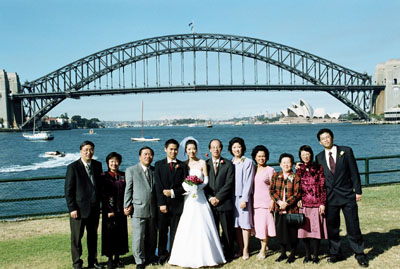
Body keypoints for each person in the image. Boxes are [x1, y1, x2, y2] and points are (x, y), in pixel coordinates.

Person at [168, 139, 226, 268]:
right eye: (189, 149)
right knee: (187, 224)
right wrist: (189, 187)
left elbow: (206, 179)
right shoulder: (183, 165)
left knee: (203, 224)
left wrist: (197, 187)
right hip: (189, 198)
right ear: (185, 151)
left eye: (193, 148)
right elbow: (181, 181)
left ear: (196, 149)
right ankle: (185, 255)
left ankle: (208, 256)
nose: (191, 151)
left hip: (200, 197)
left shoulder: (202, 163)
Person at [315, 128, 368, 267]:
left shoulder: (346, 151)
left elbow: (354, 172)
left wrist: (358, 190)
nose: (326, 140)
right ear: (320, 142)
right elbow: (318, 178)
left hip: (347, 195)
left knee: (353, 225)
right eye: (323, 138)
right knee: (332, 227)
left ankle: (359, 253)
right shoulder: (319, 157)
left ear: (332, 138)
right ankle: (335, 253)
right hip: (330, 197)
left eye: (328, 137)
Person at [65, 141, 103, 269]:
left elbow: (100, 187)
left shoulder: (98, 165)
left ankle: (93, 261)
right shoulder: (73, 167)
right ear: (81, 151)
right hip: (79, 210)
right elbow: (69, 190)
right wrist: (72, 208)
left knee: (93, 237)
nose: (89, 152)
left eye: (91, 150)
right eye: (86, 150)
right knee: (76, 239)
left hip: (94, 209)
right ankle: (77, 264)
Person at [154, 139, 188, 265]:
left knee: (175, 231)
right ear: (165, 149)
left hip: (177, 204)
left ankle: (174, 255)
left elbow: (185, 185)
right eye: (171, 149)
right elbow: (158, 186)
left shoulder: (183, 165)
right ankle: (162, 255)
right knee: (162, 231)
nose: (173, 151)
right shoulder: (159, 165)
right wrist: (161, 203)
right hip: (163, 205)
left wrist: (173, 192)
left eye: (175, 149)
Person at [124, 147, 157, 269]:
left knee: (152, 236)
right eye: (145, 154)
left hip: (152, 209)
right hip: (138, 208)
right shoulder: (131, 170)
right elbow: (128, 189)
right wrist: (126, 206)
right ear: (140, 156)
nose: (148, 156)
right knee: (138, 236)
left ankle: (150, 256)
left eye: (150, 154)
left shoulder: (154, 170)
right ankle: (139, 260)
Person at [204, 139, 235, 262]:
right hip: (210, 203)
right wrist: (211, 198)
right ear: (210, 149)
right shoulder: (205, 164)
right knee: (213, 229)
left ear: (221, 149)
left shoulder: (228, 164)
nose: (216, 149)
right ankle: (216, 253)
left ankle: (228, 253)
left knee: (227, 230)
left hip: (224, 202)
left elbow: (229, 183)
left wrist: (219, 197)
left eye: (218, 147)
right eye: (213, 147)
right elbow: (203, 184)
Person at [296, 145, 327, 264]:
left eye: (307, 154)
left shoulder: (318, 168)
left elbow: (323, 186)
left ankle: (315, 255)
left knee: (316, 231)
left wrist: (322, 203)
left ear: (311, 154)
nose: (305, 156)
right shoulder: (299, 169)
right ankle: (307, 254)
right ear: (300, 156)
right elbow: (297, 187)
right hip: (304, 204)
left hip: (316, 203)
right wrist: (298, 198)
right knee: (305, 231)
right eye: (303, 155)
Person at [270, 153, 301, 264]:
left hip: (291, 209)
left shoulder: (295, 177)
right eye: (284, 162)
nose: (286, 164)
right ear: (280, 164)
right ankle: (283, 253)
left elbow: (297, 193)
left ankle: (293, 253)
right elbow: (272, 191)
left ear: (292, 164)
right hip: (279, 209)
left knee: (292, 232)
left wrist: (286, 203)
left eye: (288, 162)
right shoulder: (276, 176)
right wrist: (279, 202)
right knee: (280, 231)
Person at [100, 152, 128, 269]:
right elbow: (103, 194)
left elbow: (128, 191)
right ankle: (110, 259)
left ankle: (118, 258)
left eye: (116, 161)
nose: (114, 163)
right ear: (108, 163)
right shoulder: (103, 176)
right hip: (109, 211)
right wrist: (108, 209)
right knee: (109, 234)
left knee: (120, 234)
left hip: (121, 210)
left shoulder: (123, 175)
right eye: (111, 161)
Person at [228, 137, 255, 260]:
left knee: (245, 224)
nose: (237, 149)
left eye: (238, 147)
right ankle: (240, 247)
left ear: (243, 148)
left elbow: (249, 182)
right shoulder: (230, 162)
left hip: (243, 197)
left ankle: (246, 248)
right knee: (236, 225)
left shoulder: (247, 162)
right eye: (234, 147)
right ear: (231, 149)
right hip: (231, 197)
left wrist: (244, 198)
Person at [251, 145, 276, 260]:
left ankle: (262, 250)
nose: (261, 158)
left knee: (264, 227)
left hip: (266, 204)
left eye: (263, 156)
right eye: (259, 156)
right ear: (255, 157)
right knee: (258, 227)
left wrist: (272, 201)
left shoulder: (270, 170)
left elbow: (274, 187)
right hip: (254, 203)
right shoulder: (253, 169)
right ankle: (264, 246)